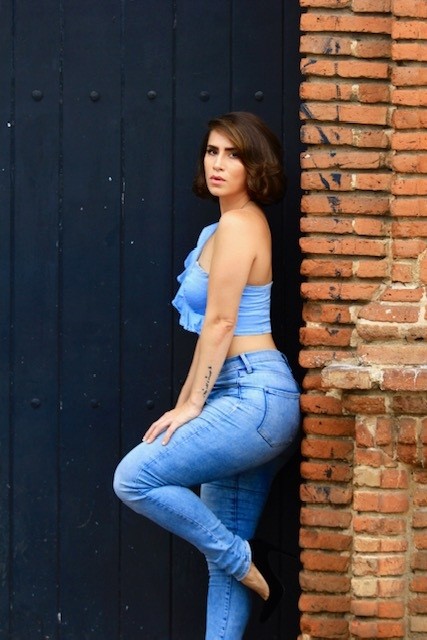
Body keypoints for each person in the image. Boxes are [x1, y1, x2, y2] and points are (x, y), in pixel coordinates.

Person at [113, 111, 300, 639]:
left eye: (234, 154)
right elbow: (210, 332)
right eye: (213, 151)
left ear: (255, 166)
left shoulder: (241, 224)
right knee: (222, 561)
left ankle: (248, 562)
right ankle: (242, 561)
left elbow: (220, 323)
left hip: (254, 396)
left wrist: (190, 405)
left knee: (134, 478)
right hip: (239, 396)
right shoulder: (220, 228)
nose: (218, 163)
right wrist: (195, 398)